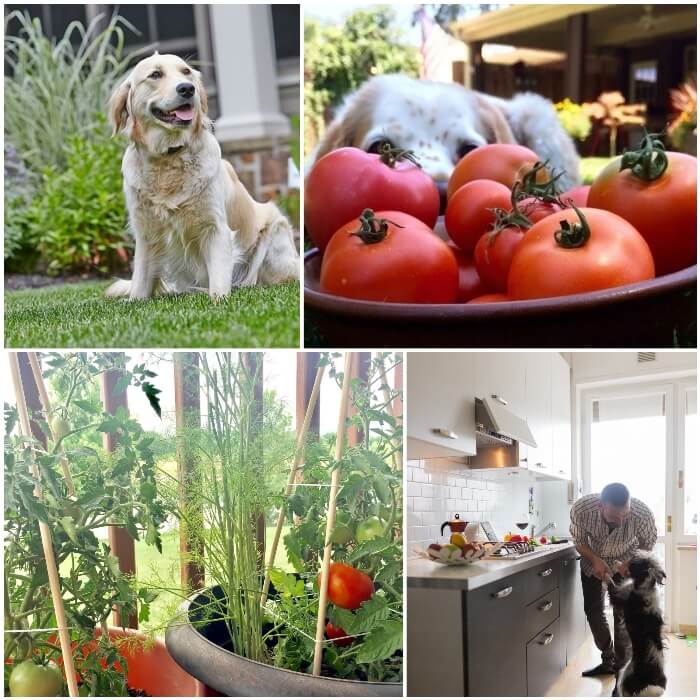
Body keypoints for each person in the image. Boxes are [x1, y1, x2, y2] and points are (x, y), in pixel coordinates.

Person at [569, 482, 657, 677]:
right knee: (593, 612)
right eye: (614, 517)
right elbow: (580, 542)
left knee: (622, 616)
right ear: (600, 506)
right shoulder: (581, 509)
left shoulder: (641, 513)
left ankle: (621, 671)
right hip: (594, 562)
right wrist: (594, 559)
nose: (620, 521)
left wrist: (631, 562)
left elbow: (648, 543)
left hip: (625, 563)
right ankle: (607, 659)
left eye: (624, 515)